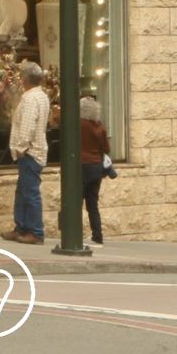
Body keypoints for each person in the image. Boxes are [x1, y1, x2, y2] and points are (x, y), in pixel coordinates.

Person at [5, 62, 51, 244]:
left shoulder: (31, 99)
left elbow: (28, 124)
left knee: (30, 192)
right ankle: (21, 228)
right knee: (24, 191)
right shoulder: (41, 96)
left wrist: (21, 147)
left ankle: (35, 232)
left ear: (24, 79)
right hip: (35, 150)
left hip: (31, 152)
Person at [80, 94, 115, 245]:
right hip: (96, 168)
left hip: (82, 166)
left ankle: (75, 234)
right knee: (92, 204)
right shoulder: (99, 127)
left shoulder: (79, 125)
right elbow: (106, 148)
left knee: (76, 202)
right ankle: (97, 235)